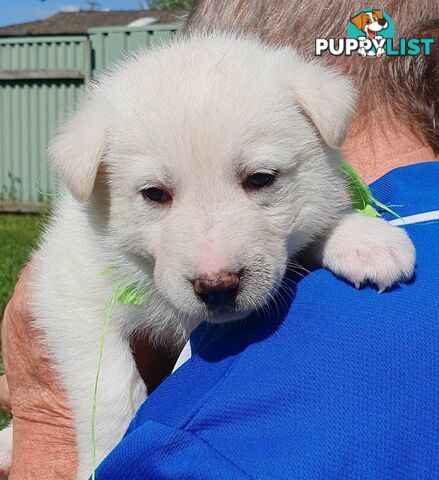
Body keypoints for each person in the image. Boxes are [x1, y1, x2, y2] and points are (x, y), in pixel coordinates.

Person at [1, 1, 438, 478]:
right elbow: (71, 301)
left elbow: (317, 199)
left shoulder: (298, 109)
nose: (216, 268)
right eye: (155, 194)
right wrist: (106, 425)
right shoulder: (88, 231)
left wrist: (336, 229)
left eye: (258, 179)